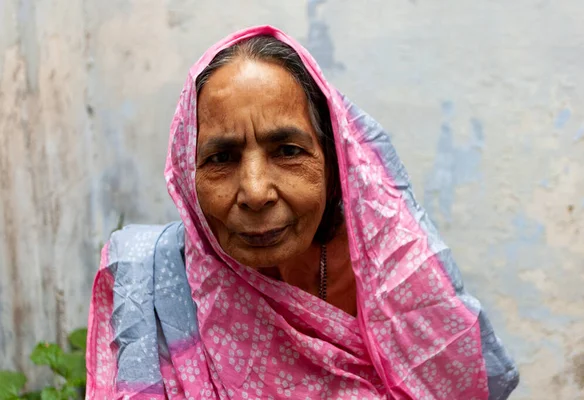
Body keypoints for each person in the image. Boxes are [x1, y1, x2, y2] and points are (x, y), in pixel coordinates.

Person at [86, 26, 519, 399]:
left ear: (335, 163)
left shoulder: (393, 280)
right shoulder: (154, 284)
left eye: (288, 151)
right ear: (186, 174)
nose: (255, 192)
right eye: (221, 158)